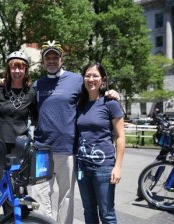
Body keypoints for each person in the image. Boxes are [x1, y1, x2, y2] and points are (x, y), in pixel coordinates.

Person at [30, 40, 119, 224]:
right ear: (43, 61)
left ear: (62, 60)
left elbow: (94, 92)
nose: (52, 61)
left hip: (67, 149)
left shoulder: (76, 80)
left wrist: (111, 92)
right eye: (48, 58)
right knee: (38, 194)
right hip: (41, 149)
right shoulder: (37, 85)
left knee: (66, 196)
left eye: (55, 57)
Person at [76, 62, 125, 224]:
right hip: (82, 166)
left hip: (104, 167)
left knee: (107, 213)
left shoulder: (111, 103)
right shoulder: (80, 104)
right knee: (89, 211)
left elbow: (120, 137)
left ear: (103, 80)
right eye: (87, 75)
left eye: (95, 76)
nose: (91, 79)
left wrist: (117, 167)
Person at [0, 51, 36, 214]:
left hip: (21, 146)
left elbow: (37, 117)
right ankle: (9, 217)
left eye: (21, 67)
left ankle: (22, 217)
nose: (17, 71)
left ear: (26, 70)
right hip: (1, 145)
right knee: (4, 184)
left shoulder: (31, 92)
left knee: (20, 185)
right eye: (13, 67)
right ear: (8, 70)